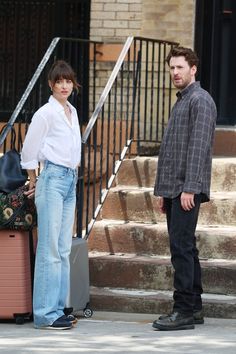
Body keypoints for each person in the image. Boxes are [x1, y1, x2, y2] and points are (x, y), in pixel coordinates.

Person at [152, 46, 217, 331]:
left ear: (193, 69)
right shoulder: (182, 101)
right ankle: (195, 307)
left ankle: (184, 311)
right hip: (174, 188)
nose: (174, 73)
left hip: (186, 188)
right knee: (185, 248)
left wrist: (189, 189)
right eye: (172, 68)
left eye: (180, 67)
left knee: (181, 248)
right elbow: (171, 150)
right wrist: (163, 191)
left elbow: (198, 149)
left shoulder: (201, 101)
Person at [21, 60, 81, 330]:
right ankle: (46, 314)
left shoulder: (73, 111)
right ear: (51, 85)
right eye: (59, 81)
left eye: (68, 81)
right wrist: (35, 180)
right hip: (53, 179)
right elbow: (28, 152)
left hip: (70, 180)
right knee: (49, 249)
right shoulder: (45, 113)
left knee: (64, 248)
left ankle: (59, 309)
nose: (64, 85)